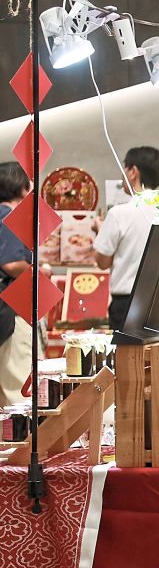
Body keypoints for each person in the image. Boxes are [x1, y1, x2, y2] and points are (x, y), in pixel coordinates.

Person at [93, 145, 159, 330]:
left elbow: (102, 261)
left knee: (127, 358)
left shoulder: (119, 213)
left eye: (125, 168)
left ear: (133, 171)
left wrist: (100, 230)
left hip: (126, 302)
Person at [0, 162, 32, 405]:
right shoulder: (9, 217)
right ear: (22, 188)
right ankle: (21, 443)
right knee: (16, 390)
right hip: (9, 310)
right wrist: (39, 271)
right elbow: (11, 264)